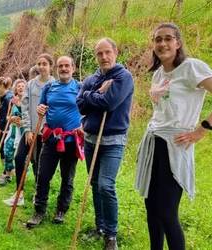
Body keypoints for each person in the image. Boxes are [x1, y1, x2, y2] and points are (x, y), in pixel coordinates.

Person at [135, 23, 212, 250]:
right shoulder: (158, 74)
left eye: (168, 38)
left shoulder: (191, 68)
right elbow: (163, 111)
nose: (162, 43)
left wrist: (202, 129)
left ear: (178, 43)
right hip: (154, 143)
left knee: (167, 212)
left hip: (175, 145)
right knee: (151, 206)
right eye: (158, 39)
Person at [76, 37, 134, 250]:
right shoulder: (92, 79)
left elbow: (110, 103)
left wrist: (94, 97)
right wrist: (98, 92)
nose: (104, 57)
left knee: (105, 185)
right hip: (91, 139)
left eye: (107, 52)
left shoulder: (123, 77)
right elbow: (80, 106)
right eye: (99, 53)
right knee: (94, 183)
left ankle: (111, 234)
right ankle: (99, 227)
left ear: (115, 52)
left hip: (113, 140)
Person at [26, 56, 84, 228]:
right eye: (60, 66)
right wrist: (39, 109)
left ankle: (61, 210)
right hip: (51, 139)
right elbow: (41, 107)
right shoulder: (49, 87)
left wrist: (84, 124)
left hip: (71, 140)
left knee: (68, 178)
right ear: (57, 69)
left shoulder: (80, 88)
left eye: (67, 66)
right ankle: (39, 211)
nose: (64, 69)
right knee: (43, 176)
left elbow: (87, 110)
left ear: (73, 67)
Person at [4, 53, 55, 207]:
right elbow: (25, 108)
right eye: (39, 63)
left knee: (40, 164)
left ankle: (38, 194)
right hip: (30, 131)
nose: (41, 66)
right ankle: (19, 194)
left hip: (45, 132)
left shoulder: (55, 84)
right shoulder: (31, 84)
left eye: (44, 63)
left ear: (50, 66)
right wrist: (27, 130)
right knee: (19, 158)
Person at [0, 79, 26, 186]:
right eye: (18, 86)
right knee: (7, 149)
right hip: (13, 129)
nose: (20, 87)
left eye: (22, 86)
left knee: (22, 155)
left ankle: (21, 177)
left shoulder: (28, 100)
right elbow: (7, 116)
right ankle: (8, 175)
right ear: (15, 88)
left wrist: (22, 120)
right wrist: (11, 118)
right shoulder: (12, 101)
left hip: (24, 130)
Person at [0, 77, 14, 182]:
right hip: (3, 128)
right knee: (2, 150)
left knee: (6, 150)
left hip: (7, 128)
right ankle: (6, 171)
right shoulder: (3, 97)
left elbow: (7, 115)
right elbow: (1, 115)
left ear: (2, 85)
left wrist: (1, 128)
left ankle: (8, 174)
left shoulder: (8, 97)